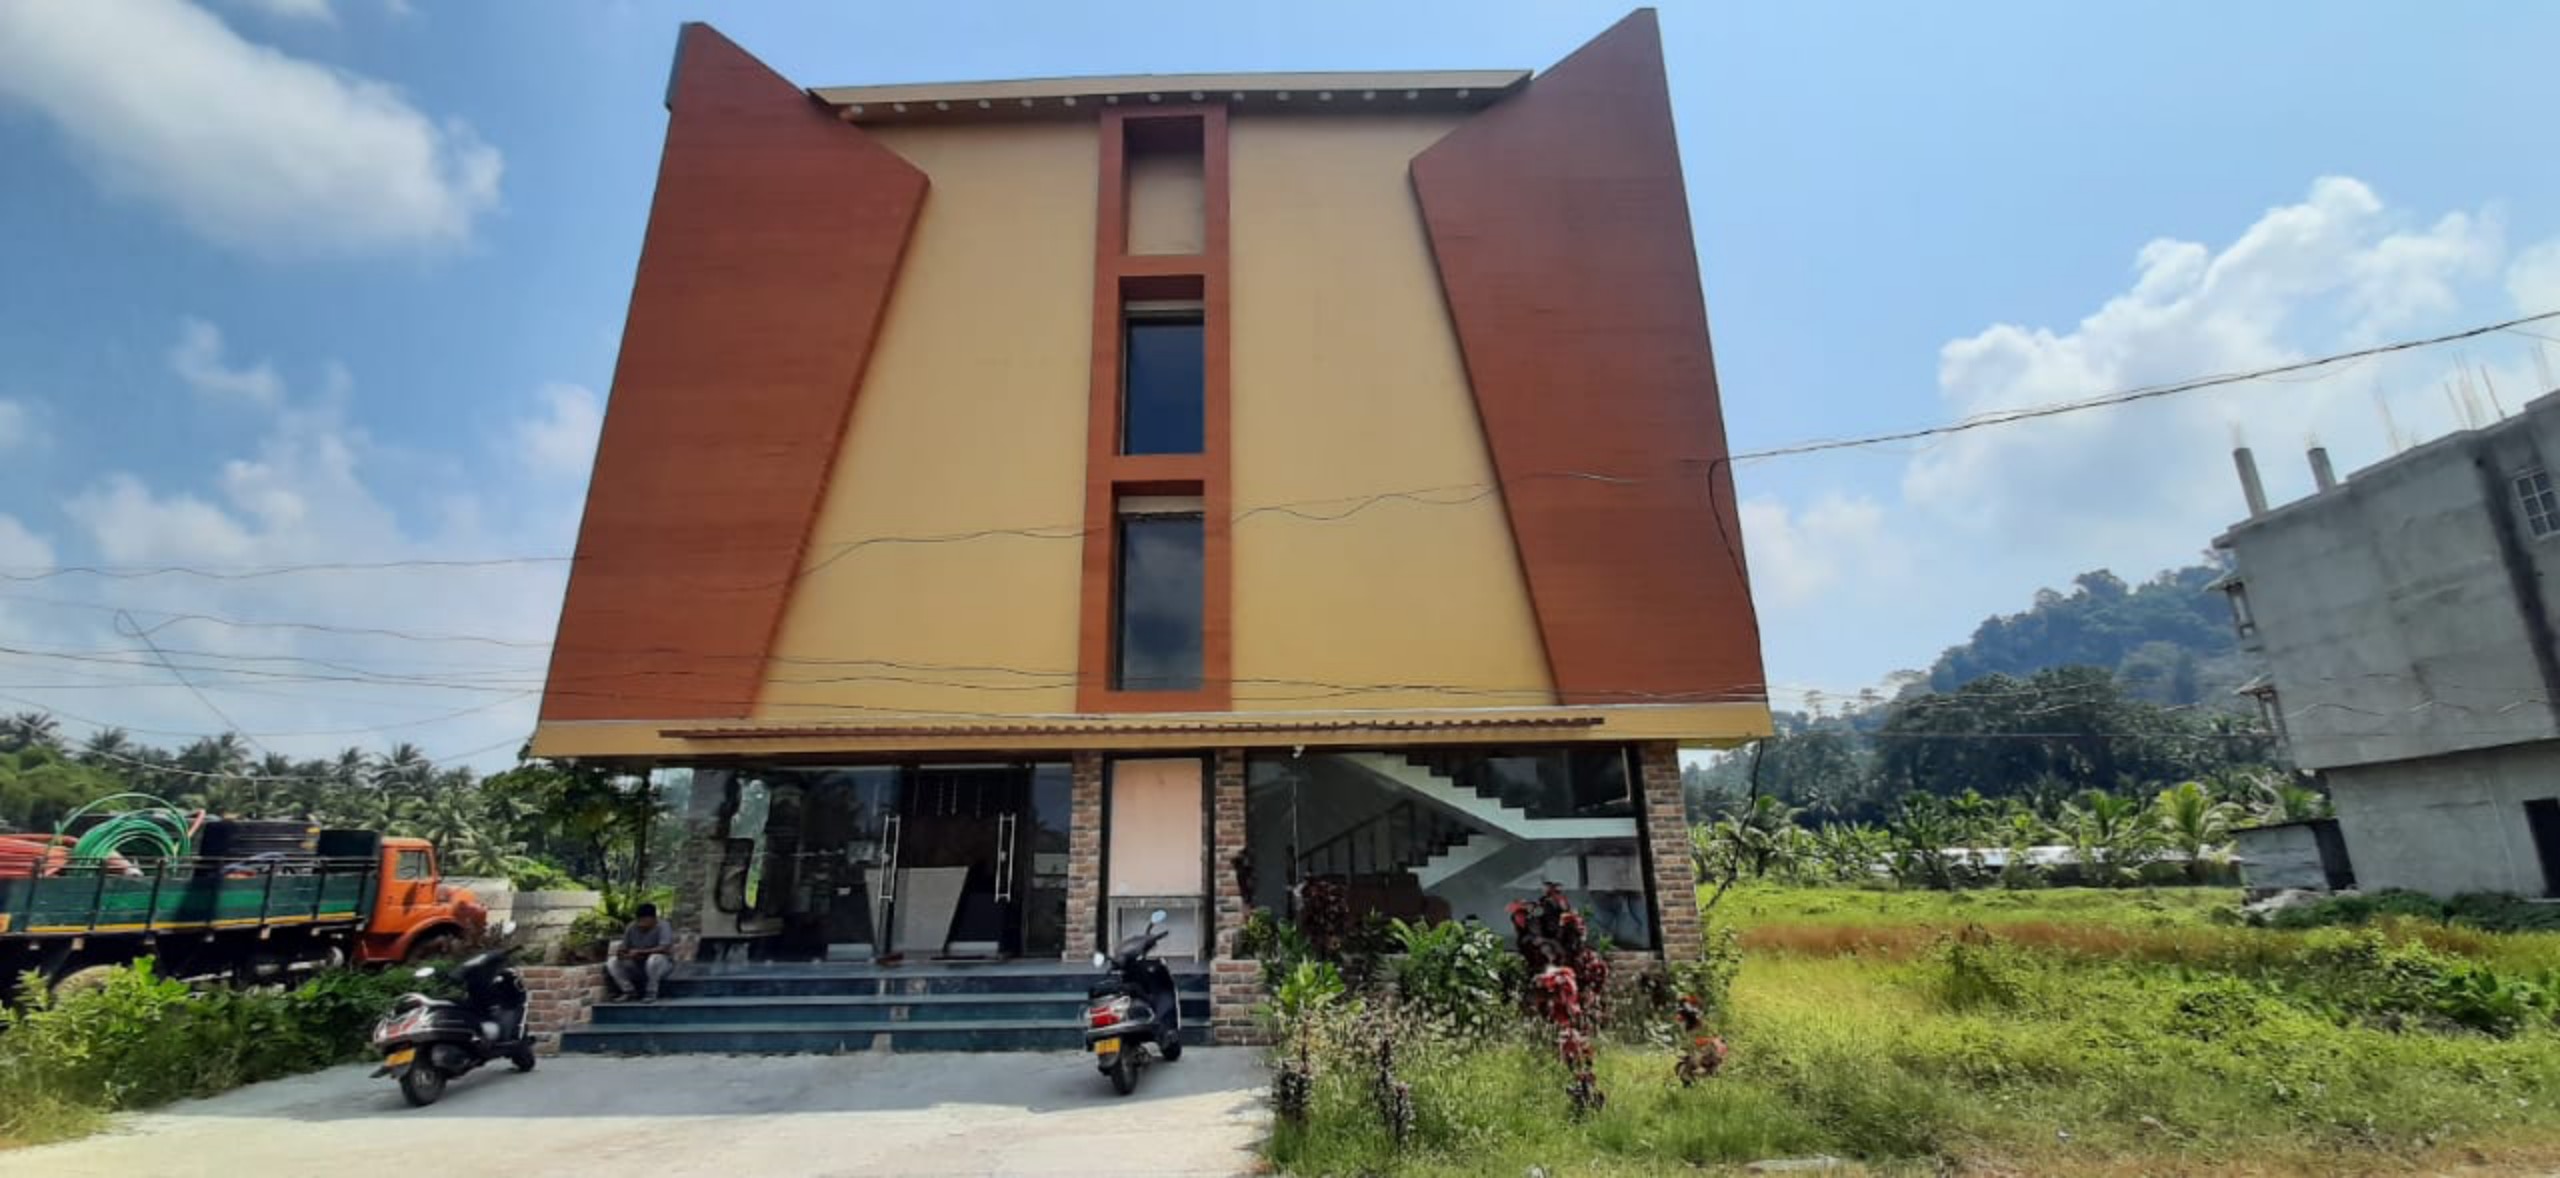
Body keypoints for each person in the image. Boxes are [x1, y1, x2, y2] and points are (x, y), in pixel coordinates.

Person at [607, 903, 675, 1002]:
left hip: (661, 965)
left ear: (653, 919)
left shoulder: (663, 926)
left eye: (644, 920)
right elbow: (624, 946)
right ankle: (629, 991)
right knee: (612, 962)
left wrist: (640, 952)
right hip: (638, 964)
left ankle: (651, 992)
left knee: (654, 959)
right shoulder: (631, 927)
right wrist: (622, 953)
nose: (641, 923)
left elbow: (664, 948)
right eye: (639, 920)